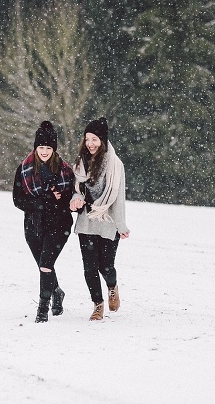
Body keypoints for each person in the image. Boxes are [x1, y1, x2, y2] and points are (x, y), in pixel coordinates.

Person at [13, 121, 75, 323]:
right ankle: (57, 291)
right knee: (43, 265)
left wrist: (61, 202)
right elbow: (18, 200)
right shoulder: (24, 170)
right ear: (35, 147)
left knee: (46, 264)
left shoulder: (65, 171)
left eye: (49, 147)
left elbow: (70, 199)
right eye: (41, 147)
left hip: (59, 224)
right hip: (34, 225)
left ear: (54, 149)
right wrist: (42, 203)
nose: (45, 151)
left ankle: (42, 309)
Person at [69, 117, 130, 321]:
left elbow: (118, 197)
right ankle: (98, 304)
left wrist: (121, 225)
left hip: (108, 220)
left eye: (94, 139)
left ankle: (112, 287)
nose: (90, 144)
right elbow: (77, 189)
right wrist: (76, 199)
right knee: (89, 266)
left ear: (102, 140)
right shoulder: (81, 162)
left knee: (106, 266)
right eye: (87, 139)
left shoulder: (115, 164)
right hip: (87, 220)